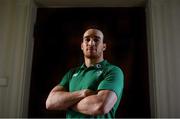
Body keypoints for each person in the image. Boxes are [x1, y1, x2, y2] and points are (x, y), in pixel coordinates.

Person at [46, 28, 124, 118]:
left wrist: (66, 104)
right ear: (82, 46)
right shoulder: (72, 73)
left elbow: (100, 106)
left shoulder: (113, 71)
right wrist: (84, 93)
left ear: (104, 46)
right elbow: (50, 102)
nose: (91, 43)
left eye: (96, 40)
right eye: (87, 39)